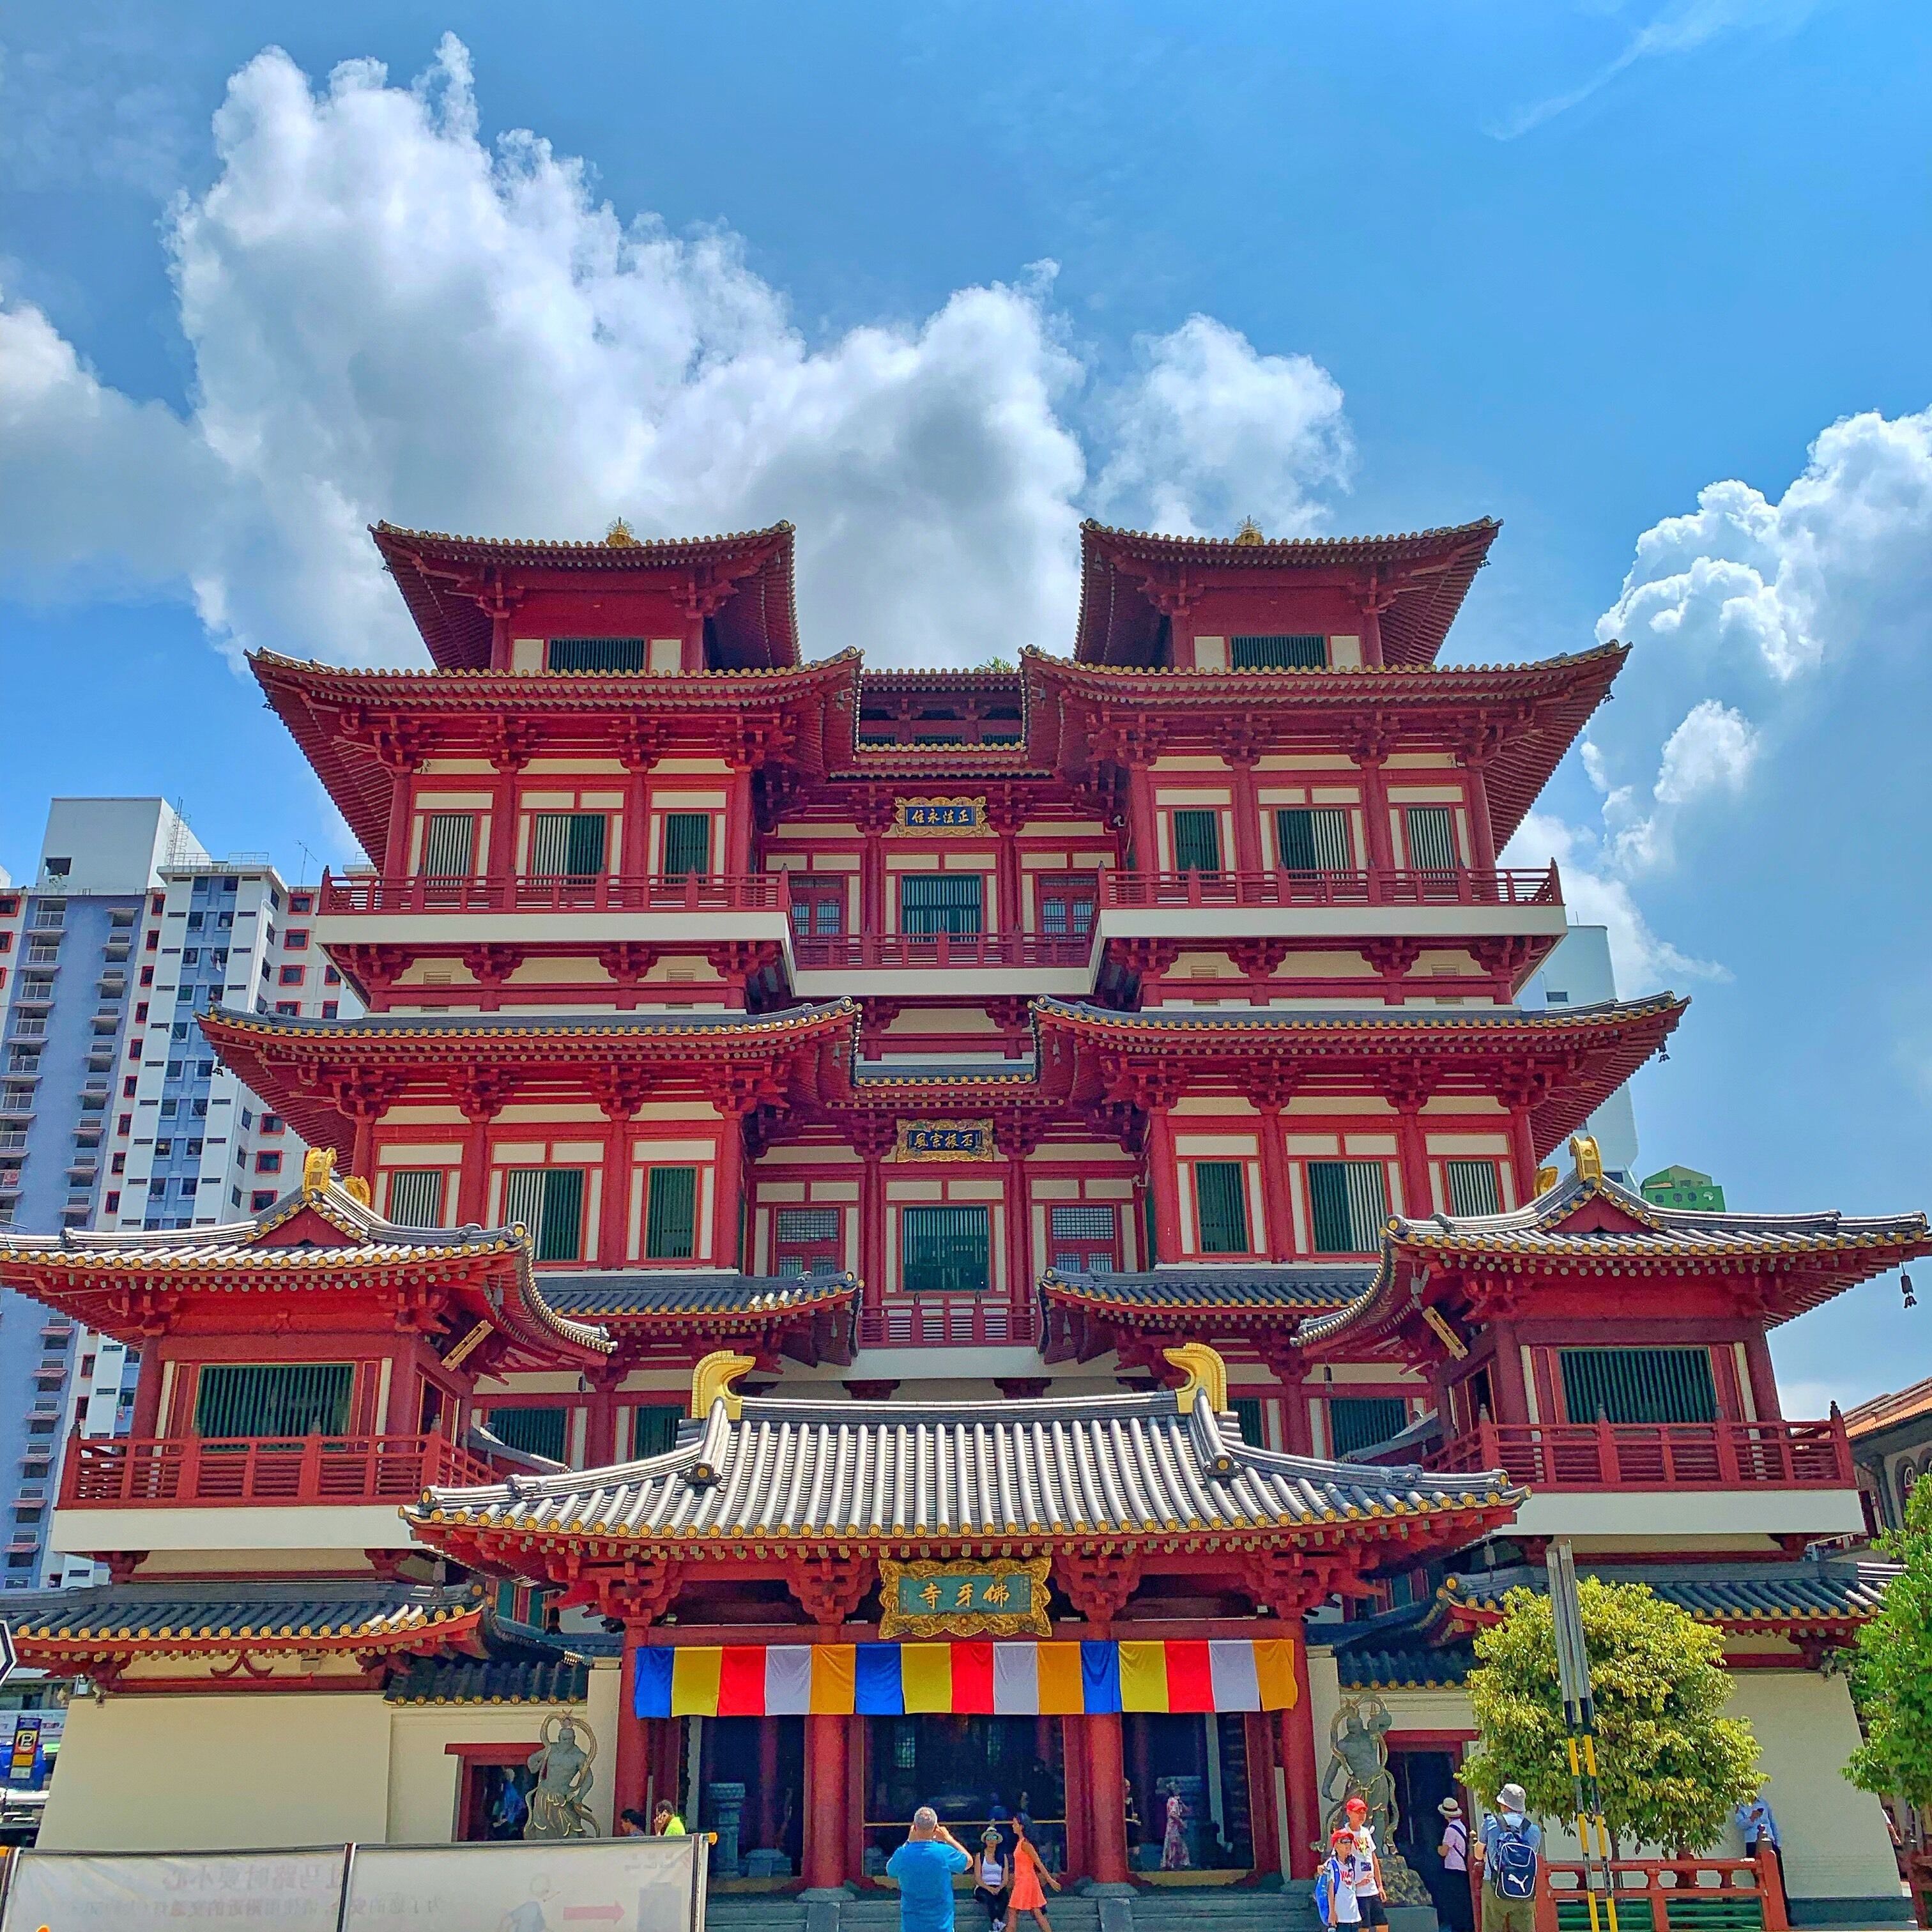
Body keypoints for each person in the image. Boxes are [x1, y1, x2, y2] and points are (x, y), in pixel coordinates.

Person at [888, 1806, 972, 1932]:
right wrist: (948, 1839)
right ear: (935, 1827)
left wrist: (908, 1841)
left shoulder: (903, 1853)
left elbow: (890, 1870)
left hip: (912, 1927)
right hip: (941, 1927)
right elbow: (969, 1861)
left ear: (914, 1827)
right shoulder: (944, 1852)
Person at [1474, 1784, 1542, 1932]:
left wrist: (1486, 1856)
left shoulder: (1491, 1823)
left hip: (1494, 1885)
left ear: (1504, 1805)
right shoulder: (1534, 1830)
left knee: (1492, 1928)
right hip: (1524, 1888)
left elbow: (1478, 1854)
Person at [1004, 1814, 1061, 1932]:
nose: (1013, 1826)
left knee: (1013, 1911)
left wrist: (1050, 1880)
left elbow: (1038, 1864)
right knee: (1036, 1911)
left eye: (1015, 1824)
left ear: (1022, 1827)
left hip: (1026, 1881)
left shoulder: (1026, 1844)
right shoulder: (1021, 1843)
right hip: (1024, 1880)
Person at [1343, 1796, 1387, 1929]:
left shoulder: (1366, 1833)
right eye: (1358, 1812)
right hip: (1357, 1891)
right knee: (1363, 1926)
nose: (1362, 1815)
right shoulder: (1344, 1835)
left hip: (1372, 1889)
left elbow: (1373, 1858)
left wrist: (1379, 1886)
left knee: (1382, 1924)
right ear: (1349, 1813)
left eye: (1363, 1812)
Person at [1436, 1798, 1473, 1932]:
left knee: (1454, 1901)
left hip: (1453, 1869)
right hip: (1461, 1868)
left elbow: (1444, 1851)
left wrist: (1437, 1848)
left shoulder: (1450, 1830)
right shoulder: (1461, 1826)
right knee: (1461, 1900)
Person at [1317, 1828, 1364, 1929]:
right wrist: (1332, 1912)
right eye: (1344, 1842)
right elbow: (1331, 1890)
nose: (1348, 1845)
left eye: (1349, 1842)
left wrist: (1362, 1883)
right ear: (1336, 1846)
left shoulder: (1351, 1863)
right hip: (1341, 1916)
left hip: (1354, 1915)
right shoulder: (1332, 1865)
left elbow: (1349, 1886)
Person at [973, 1826, 1011, 1929]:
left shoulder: (1002, 1857)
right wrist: (989, 1888)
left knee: (1004, 1898)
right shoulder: (980, 1856)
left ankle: (997, 1922)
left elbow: (1005, 1878)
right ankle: (996, 1922)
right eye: (989, 1838)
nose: (991, 1840)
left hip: (998, 1886)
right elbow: (978, 1878)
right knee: (989, 1898)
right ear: (985, 1840)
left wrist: (999, 1888)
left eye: (994, 1837)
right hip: (983, 1887)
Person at [1161, 1789, 1191, 1871]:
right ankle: (1172, 1864)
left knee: (1177, 1845)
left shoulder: (1177, 1801)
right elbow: (1172, 1814)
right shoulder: (1173, 1801)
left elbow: (1188, 1811)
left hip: (1175, 1827)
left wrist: (1181, 1802)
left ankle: (1175, 1863)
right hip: (1173, 1827)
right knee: (1173, 1845)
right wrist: (1181, 1823)